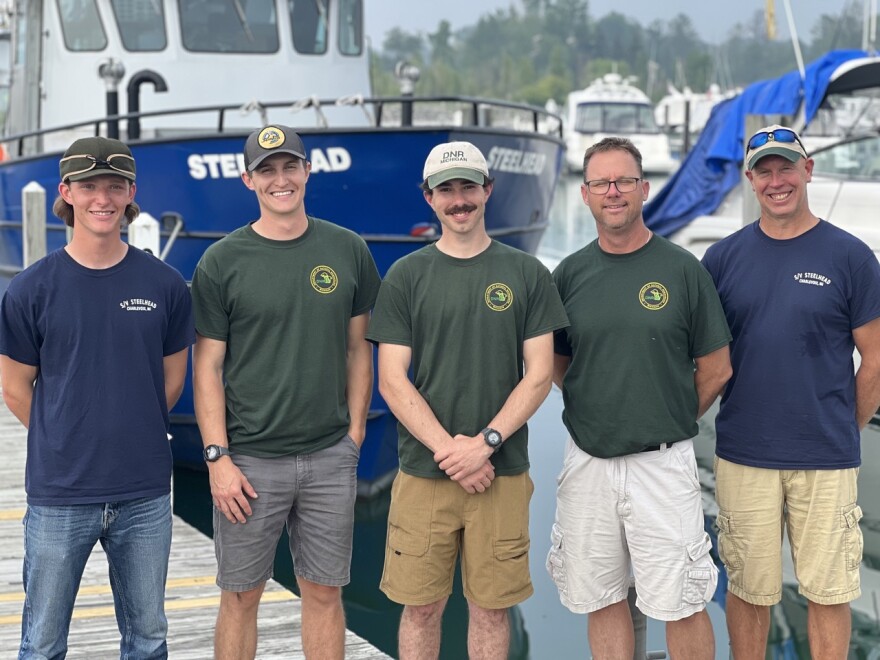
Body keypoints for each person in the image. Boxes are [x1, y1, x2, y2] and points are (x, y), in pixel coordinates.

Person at [366, 141, 569, 660]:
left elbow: (540, 374)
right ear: (429, 198)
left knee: (490, 610)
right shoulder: (406, 277)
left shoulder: (527, 273)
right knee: (421, 608)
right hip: (424, 473)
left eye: (468, 187)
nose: (459, 200)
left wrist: (486, 444)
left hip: (499, 473)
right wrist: (452, 453)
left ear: (488, 191)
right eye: (446, 190)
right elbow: (392, 380)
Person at [191, 124, 381, 660]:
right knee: (241, 595)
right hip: (248, 462)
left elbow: (357, 349)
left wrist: (355, 433)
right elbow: (207, 367)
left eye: (289, 166)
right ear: (249, 180)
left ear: (306, 171)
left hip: (328, 456)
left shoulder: (347, 249)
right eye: (267, 170)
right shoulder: (221, 262)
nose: (281, 179)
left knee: (324, 593)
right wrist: (217, 458)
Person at [0, 136, 194, 659]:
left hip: (145, 494)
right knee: (41, 645)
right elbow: (15, 387)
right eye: (88, 186)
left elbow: (170, 380)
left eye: (115, 186)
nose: (101, 198)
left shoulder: (166, 285)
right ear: (67, 192)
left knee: (148, 639)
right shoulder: (30, 290)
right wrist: (64, 435)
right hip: (61, 494)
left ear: (132, 193)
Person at [547, 136, 732, 659]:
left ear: (644, 189)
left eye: (624, 181)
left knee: (683, 600)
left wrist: (662, 413)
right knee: (601, 596)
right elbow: (557, 365)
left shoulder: (682, 269)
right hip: (588, 463)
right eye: (601, 182)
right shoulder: (569, 275)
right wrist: (603, 407)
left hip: (663, 463)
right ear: (584, 194)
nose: (613, 191)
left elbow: (717, 369)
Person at [702, 124, 880, 659]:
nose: (776, 180)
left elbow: (875, 358)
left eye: (786, 168)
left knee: (829, 592)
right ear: (750, 180)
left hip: (826, 459)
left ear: (808, 170)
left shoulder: (851, 256)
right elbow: (705, 360)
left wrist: (843, 429)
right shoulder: (721, 259)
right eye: (764, 171)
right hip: (743, 455)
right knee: (748, 590)